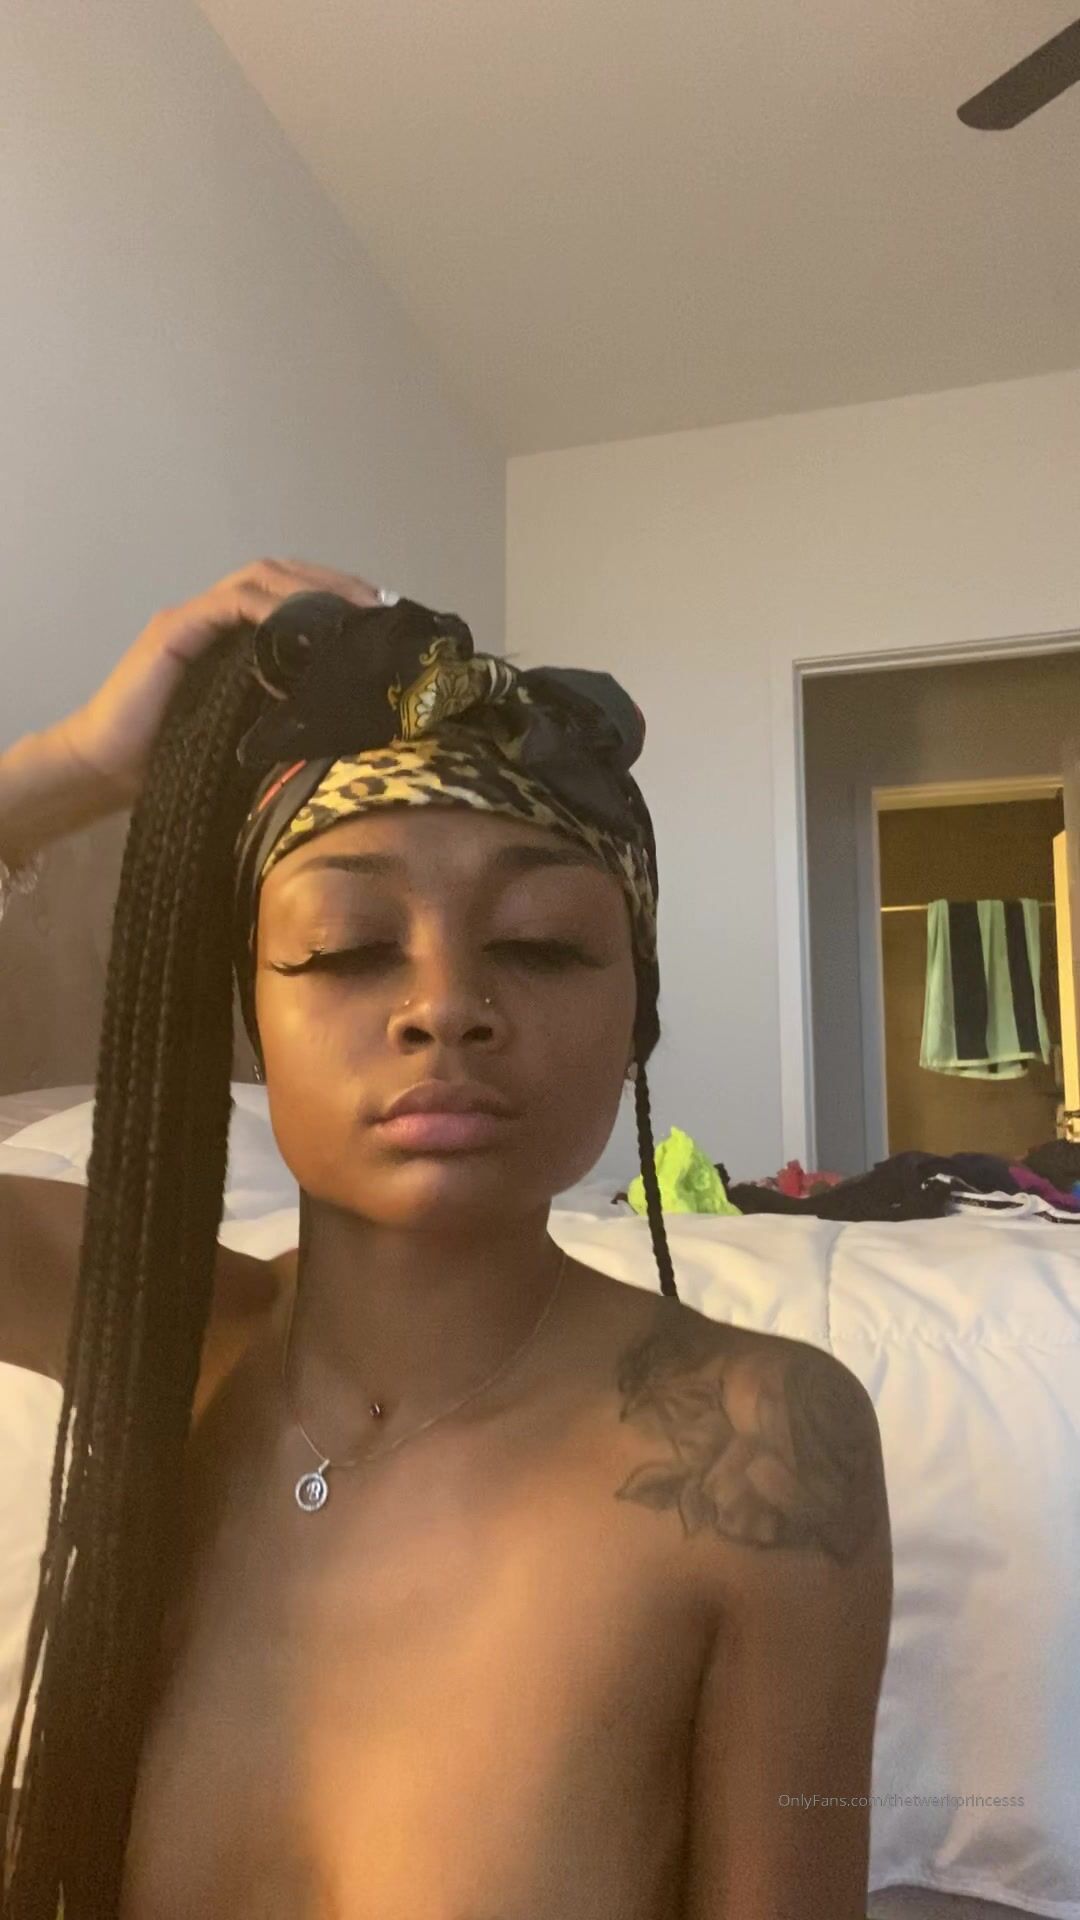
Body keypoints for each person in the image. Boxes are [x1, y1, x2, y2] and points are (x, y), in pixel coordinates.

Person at [0, 559, 892, 1918]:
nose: (446, 1006)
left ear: (634, 1017)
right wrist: (73, 766)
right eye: (345, 946)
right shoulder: (149, 1341)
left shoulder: (766, 1443)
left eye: (539, 944)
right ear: (252, 1013)